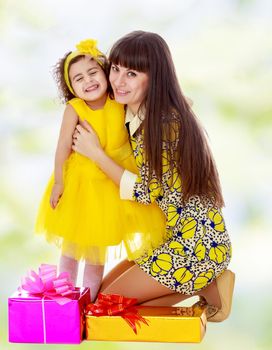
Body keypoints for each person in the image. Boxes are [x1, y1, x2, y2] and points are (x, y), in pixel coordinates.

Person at [72, 31, 235, 321]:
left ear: (154, 77)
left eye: (132, 73)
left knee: (105, 308)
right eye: (116, 69)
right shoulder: (141, 112)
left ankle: (208, 280)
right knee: (100, 296)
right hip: (176, 240)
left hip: (196, 247)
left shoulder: (163, 123)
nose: (118, 81)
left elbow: (147, 191)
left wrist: (96, 153)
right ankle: (208, 284)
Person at [35, 39, 166, 302]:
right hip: (81, 185)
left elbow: (148, 106)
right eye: (78, 79)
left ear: (106, 73)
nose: (88, 81)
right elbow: (62, 146)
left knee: (96, 253)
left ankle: (88, 303)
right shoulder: (75, 109)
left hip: (112, 184)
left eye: (93, 72)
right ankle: (65, 302)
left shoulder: (119, 100)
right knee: (71, 249)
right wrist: (59, 182)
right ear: (71, 88)